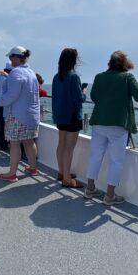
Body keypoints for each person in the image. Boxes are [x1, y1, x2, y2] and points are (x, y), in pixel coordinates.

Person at [85, 51, 138, 205]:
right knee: (116, 161)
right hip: (118, 125)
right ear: (124, 63)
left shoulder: (99, 77)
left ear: (110, 62)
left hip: (99, 122)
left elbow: (94, 96)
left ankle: (90, 189)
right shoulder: (127, 77)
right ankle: (110, 196)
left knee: (95, 156)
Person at [0, 46, 40, 182]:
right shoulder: (31, 72)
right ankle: (33, 168)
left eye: (10, 57)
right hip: (32, 115)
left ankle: (12, 174)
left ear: (15, 57)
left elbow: (11, 95)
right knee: (29, 142)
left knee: (14, 143)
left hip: (17, 115)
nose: (10, 60)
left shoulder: (16, 73)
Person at [52, 48, 86, 188]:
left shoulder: (56, 77)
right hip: (72, 116)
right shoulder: (74, 77)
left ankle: (62, 172)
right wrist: (84, 92)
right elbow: (78, 99)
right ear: (73, 61)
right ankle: (67, 178)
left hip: (60, 115)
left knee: (61, 144)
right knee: (69, 148)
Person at [0, 63, 11, 151]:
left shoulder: (0, 77)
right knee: (8, 124)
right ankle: (9, 143)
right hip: (6, 103)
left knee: (1, 124)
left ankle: (3, 144)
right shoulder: (9, 77)